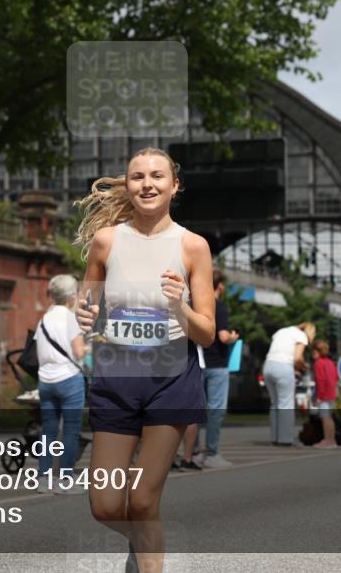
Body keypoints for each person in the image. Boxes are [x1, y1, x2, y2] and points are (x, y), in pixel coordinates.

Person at [75, 147, 215, 573]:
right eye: (137, 177)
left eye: (157, 176)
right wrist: (85, 313)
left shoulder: (193, 246)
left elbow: (206, 333)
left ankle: (149, 559)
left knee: (141, 499)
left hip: (171, 379)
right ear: (128, 184)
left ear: (175, 186)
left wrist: (179, 307)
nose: (147, 184)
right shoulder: (107, 241)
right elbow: (88, 303)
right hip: (116, 378)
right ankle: (149, 542)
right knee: (104, 504)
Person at [36, 274, 88, 494]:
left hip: (45, 382)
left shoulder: (44, 319)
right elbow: (78, 351)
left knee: (48, 431)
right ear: (70, 297)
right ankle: (66, 479)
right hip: (69, 380)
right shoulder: (70, 318)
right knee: (70, 431)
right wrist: (90, 348)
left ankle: (44, 478)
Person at [192, 271, 238, 468]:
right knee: (216, 410)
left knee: (194, 410)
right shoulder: (218, 306)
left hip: (197, 363)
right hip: (217, 365)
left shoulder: (195, 305)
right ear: (220, 286)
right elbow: (223, 337)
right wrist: (233, 337)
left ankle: (192, 453)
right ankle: (211, 453)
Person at [262, 322, 316, 446]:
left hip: (268, 366)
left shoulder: (281, 331)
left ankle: (275, 438)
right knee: (286, 404)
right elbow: (297, 358)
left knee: (275, 404)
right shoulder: (301, 336)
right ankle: (286, 439)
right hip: (283, 368)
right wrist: (304, 367)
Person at [311, 340, 338, 449]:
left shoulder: (318, 363)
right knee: (329, 417)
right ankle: (332, 440)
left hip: (324, 394)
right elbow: (336, 376)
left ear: (316, 352)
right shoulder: (330, 362)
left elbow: (320, 380)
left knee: (325, 417)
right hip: (331, 392)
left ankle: (327, 441)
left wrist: (319, 396)